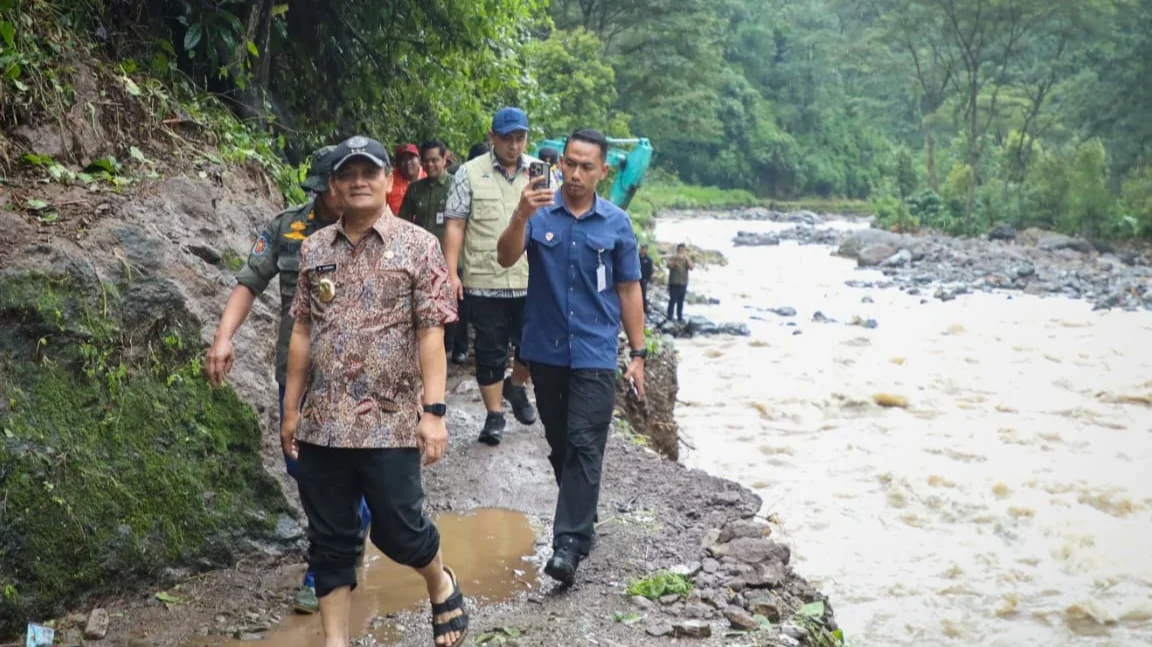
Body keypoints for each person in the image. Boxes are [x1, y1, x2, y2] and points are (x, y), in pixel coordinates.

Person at [281, 136, 468, 647]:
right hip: (324, 421)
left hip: (390, 421)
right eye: (348, 174)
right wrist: (290, 410)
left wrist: (434, 412)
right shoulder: (314, 247)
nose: (359, 181)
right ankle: (336, 641)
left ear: (389, 181)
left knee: (400, 530)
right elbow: (301, 330)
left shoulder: (418, 246)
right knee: (330, 542)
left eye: (370, 172)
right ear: (335, 187)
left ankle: (439, 580)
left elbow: (432, 333)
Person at [205, 145, 371, 615]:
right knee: (302, 467)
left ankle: (324, 565)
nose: (333, 197)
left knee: (356, 467)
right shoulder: (286, 228)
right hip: (295, 374)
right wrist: (223, 338)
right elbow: (248, 283)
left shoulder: (377, 227)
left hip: (358, 375)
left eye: (338, 186)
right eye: (325, 188)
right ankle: (352, 528)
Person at [495, 128, 647, 585]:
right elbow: (504, 258)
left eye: (587, 166)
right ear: (558, 164)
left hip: (596, 351)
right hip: (546, 351)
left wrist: (638, 353)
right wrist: (520, 215)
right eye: (570, 164)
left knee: (584, 443)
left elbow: (628, 288)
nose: (576, 174)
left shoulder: (617, 223)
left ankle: (568, 544)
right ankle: (582, 517)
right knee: (561, 443)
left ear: (604, 170)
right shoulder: (538, 213)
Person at [443, 108, 540, 445]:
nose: (514, 145)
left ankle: (516, 386)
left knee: (533, 347)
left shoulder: (539, 174)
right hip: (484, 279)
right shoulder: (468, 173)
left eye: (520, 137)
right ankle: (495, 415)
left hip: (532, 279)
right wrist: (451, 272)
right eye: (506, 138)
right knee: (489, 351)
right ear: (492, 137)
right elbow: (455, 223)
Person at [399, 139, 466, 362]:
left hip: (450, 258)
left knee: (453, 305)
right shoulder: (415, 189)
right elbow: (404, 223)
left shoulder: (456, 186)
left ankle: (453, 350)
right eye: (426, 161)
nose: (430, 166)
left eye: (435, 161)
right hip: (421, 259)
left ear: (445, 159)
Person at [387, 143, 425, 216]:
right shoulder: (389, 181)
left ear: (419, 159)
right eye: (403, 159)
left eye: (411, 158)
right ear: (397, 163)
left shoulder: (429, 176)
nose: (407, 162)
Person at [666, 243, 693, 322]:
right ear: (677, 250)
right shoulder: (673, 257)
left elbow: (691, 267)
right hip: (674, 282)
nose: (681, 251)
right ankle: (670, 316)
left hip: (683, 282)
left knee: (681, 301)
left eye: (683, 250)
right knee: (672, 300)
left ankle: (679, 317)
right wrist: (676, 259)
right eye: (680, 250)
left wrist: (687, 259)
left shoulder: (687, 258)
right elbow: (669, 266)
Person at [638, 244, 654, 314]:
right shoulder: (636, 257)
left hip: (643, 279)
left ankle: (644, 309)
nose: (643, 250)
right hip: (635, 279)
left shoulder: (648, 259)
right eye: (642, 248)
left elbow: (650, 271)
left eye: (645, 249)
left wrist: (647, 279)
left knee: (643, 294)